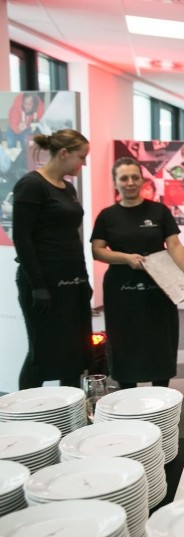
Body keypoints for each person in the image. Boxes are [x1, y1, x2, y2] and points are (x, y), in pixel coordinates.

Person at [91, 157, 184, 389]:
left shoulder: (159, 211)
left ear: (142, 180)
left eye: (135, 177)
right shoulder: (107, 216)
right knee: (124, 339)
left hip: (160, 287)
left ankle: (161, 394)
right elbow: (97, 251)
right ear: (115, 182)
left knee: (160, 338)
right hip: (121, 288)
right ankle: (126, 391)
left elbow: (174, 246)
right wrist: (125, 258)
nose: (130, 182)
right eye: (124, 178)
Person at [12, 129, 93, 389]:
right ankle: (24, 415)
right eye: (81, 157)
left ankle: (68, 415)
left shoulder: (67, 188)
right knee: (43, 352)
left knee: (74, 352)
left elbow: (71, 238)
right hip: (44, 283)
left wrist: (84, 279)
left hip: (72, 280)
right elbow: (22, 239)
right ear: (63, 153)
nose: (84, 163)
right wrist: (38, 286)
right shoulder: (31, 185)